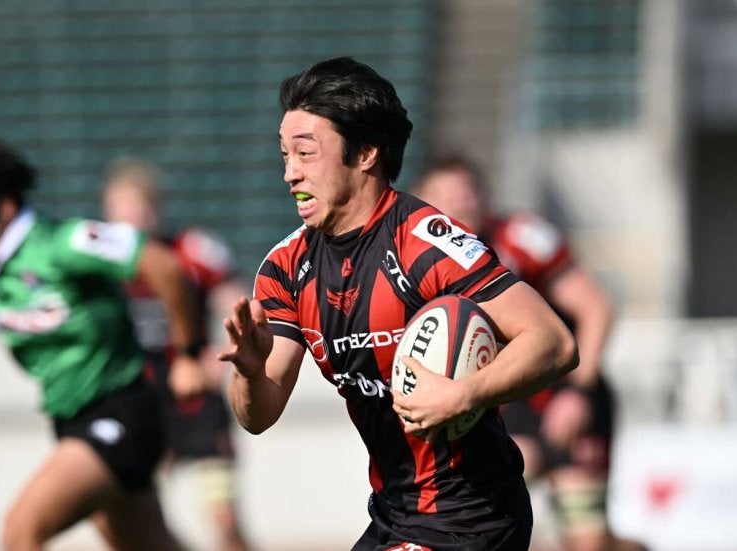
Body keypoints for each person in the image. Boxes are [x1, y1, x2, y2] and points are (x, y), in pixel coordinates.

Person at [219, 56, 579, 551]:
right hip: (394, 514)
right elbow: (257, 416)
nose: (290, 174)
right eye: (285, 155)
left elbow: (554, 343)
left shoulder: (426, 244)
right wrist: (248, 370)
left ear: (365, 152)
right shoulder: (286, 268)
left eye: (306, 153)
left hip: (473, 516)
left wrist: (463, 395)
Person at [0, 137, 207, 551]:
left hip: (123, 411)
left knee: (21, 530)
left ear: (4, 208)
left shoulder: (62, 244)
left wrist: (188, 354)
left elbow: (163, 265)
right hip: (68, 419)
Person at [413, 153, 647, 551]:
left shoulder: (522, 237)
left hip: (565, 393)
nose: (462, 202)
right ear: (424, 203)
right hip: (503, 405)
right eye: (448, 195)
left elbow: (596, 307)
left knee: (587, 541)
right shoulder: (418, 262)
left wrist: (578, 392)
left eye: (469, 191)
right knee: (482, 518)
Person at [102, 157, 252, 551]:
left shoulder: (193, 251)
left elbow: (239, 311)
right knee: (127, 522)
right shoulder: (100, 268)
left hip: (195, 405)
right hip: (140, 407)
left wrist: (219, 358)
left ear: (156, 208)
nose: (131, 217)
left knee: (225, 520)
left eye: (139, 206)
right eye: (121, 208)